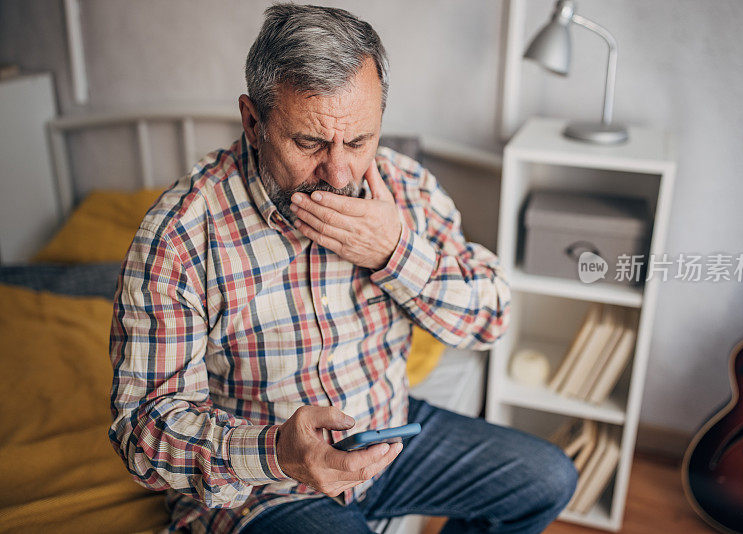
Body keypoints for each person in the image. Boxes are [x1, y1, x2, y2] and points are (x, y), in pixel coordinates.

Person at [109, 3, 577, 533]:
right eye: (309, 143)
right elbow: (144, 431)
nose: (338, 172)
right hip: (268, 489)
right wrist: (274, 452)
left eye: (358, 141)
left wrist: (396, 253)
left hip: (389, 435)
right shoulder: (178, 235)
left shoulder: (408, 189)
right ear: (252, 121)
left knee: (549, 478)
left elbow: (490, 319)